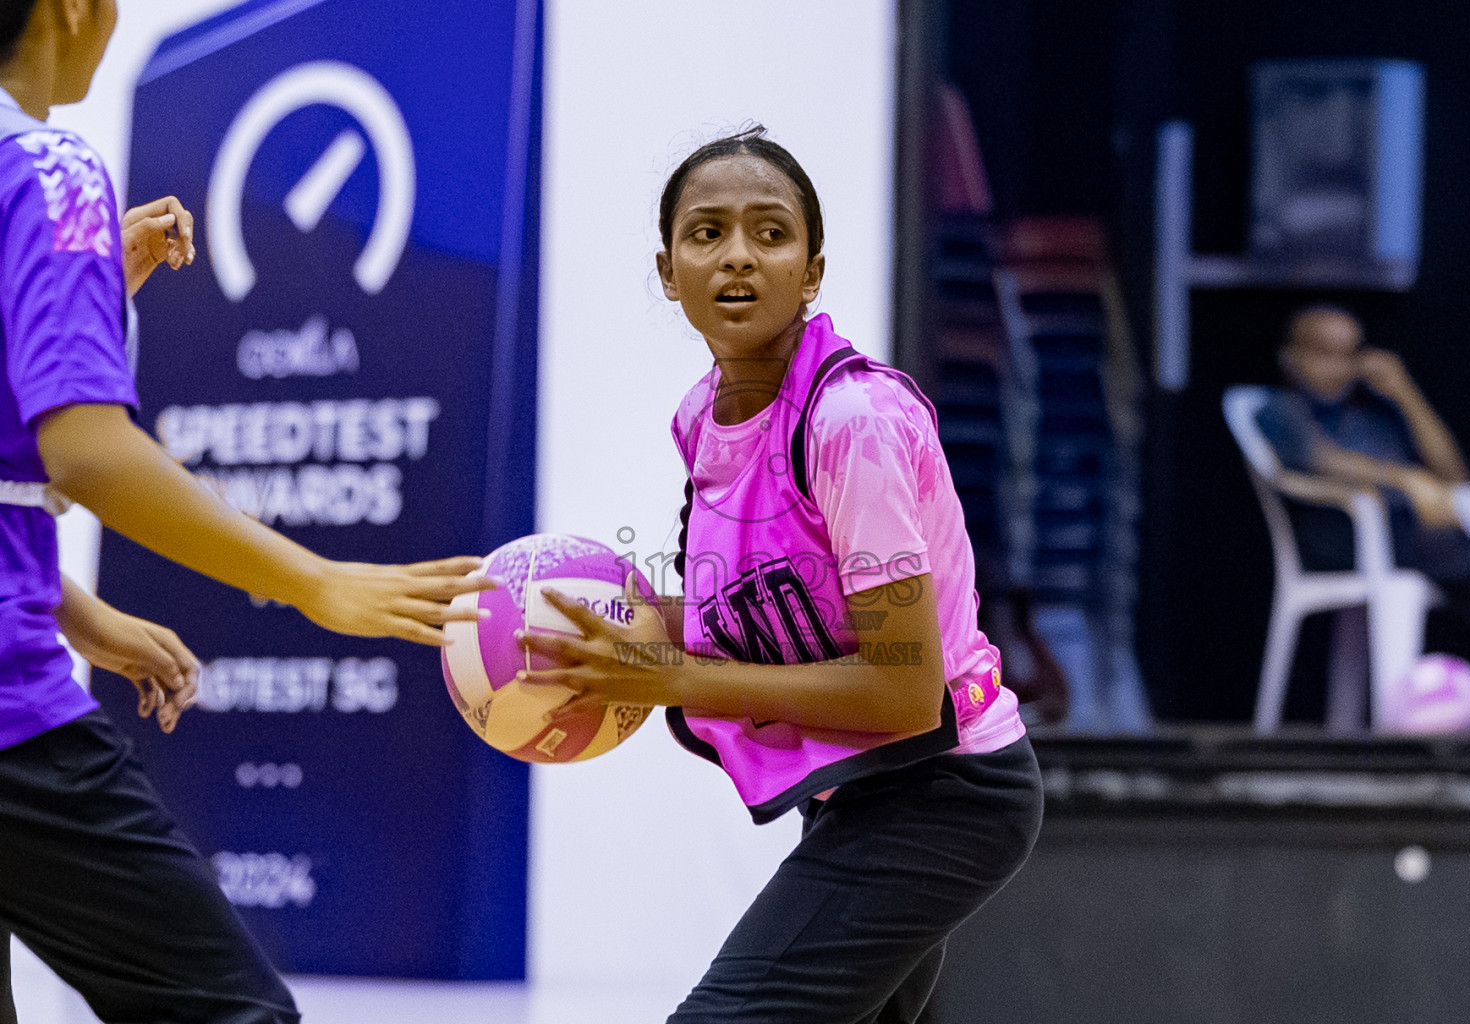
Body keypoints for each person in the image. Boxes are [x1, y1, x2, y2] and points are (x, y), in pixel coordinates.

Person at [0, 1, 491, 1021]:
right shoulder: (50, 170)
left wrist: (76, 612)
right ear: (71, 8)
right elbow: (85, 448)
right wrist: (316, 580)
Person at [518, 126, 1043, 1023]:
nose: (737, 257)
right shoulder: (701, 419)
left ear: (813, 272)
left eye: (770, 233)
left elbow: (906, 693)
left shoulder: (852, 422)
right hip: (863, 791)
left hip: (943, 790)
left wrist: (669, 676)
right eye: (706, 231)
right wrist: (598, 632)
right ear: (666, 267)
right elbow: (736, 619)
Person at [1258, 305, 1470, 716]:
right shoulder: (1280, 409)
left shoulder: (1376, 414)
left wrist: (1405, 393)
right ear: (1291, 356)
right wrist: (1405, 479)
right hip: (1351, 541)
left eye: (1350, 354)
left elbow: (1454, 475)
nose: (1339, 367)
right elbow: (1321, 459)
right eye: (1324, 352)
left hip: (1428, 544)